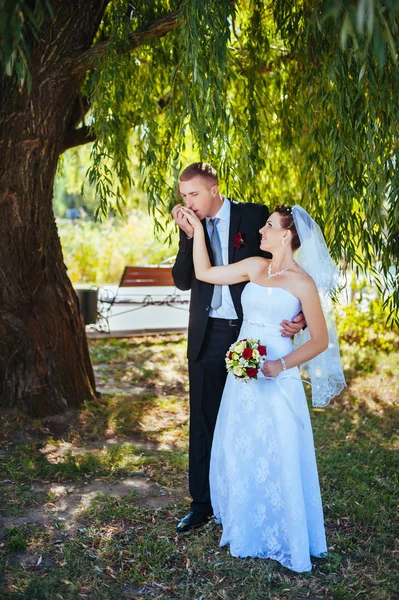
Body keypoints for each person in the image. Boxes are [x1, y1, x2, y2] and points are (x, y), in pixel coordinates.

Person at [178, 202, 346, 572]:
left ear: (286, 234)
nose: (261, 232)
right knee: (242, 444)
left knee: (279, 446)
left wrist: (280, 365)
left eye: (269, 226)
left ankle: (282, 528)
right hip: (243, 375)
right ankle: (247, 522)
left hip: (277, 372)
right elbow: (204, 273)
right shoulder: (255, 266)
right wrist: (196, 230)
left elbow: (319, 340)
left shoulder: (302, 282)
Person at [171, 163, 305, 533]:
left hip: (252, 334)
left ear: (214, 190)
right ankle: (201, 504)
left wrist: (301, 315)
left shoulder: (255, 217)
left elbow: (286, 266)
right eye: (184, 196)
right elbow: (184, 280)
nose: (188, 202)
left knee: (250, 420)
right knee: (203, 420)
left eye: (194, 194)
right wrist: (188, 236)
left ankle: (250, 495)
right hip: (208, 331)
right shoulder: (189, 225)